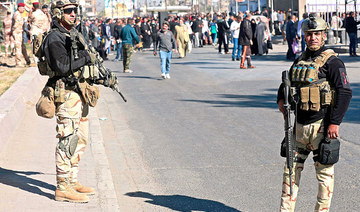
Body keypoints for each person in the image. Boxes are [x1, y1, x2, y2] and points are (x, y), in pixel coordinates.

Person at [277, 14, 352, 212]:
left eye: (317, 34)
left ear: (323, 35)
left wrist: (334, 123)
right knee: (290, 175)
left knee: (324, 179)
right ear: (305, 36)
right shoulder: (299, 60)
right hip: (299, 129)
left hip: (321, 127)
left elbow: (344, 92)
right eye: (309, 34)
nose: (313, 38)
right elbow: (285, 86)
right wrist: (281, 102)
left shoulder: (333, 62)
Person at [41, 0, 99, 203]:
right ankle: (62, 187)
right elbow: (63, 66)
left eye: (75, 10)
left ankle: (72, 181)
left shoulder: (72, 35)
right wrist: (85, 55)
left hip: (79, 94)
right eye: (69, 11)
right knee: (67, 140)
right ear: (58, 13)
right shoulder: (54, 38)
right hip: (65, 96)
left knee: (80, 139)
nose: (74, 14)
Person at [11, 2, 31, 67]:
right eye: (22, 8)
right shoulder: (17, 14)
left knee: (23, 47)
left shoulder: (19, 14)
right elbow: (16, 24)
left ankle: (27, 60)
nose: (23, 9)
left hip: (20, 32)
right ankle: (18, 63)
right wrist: (13, 31)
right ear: (19, 8)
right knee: (18, 48)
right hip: (17, 32)